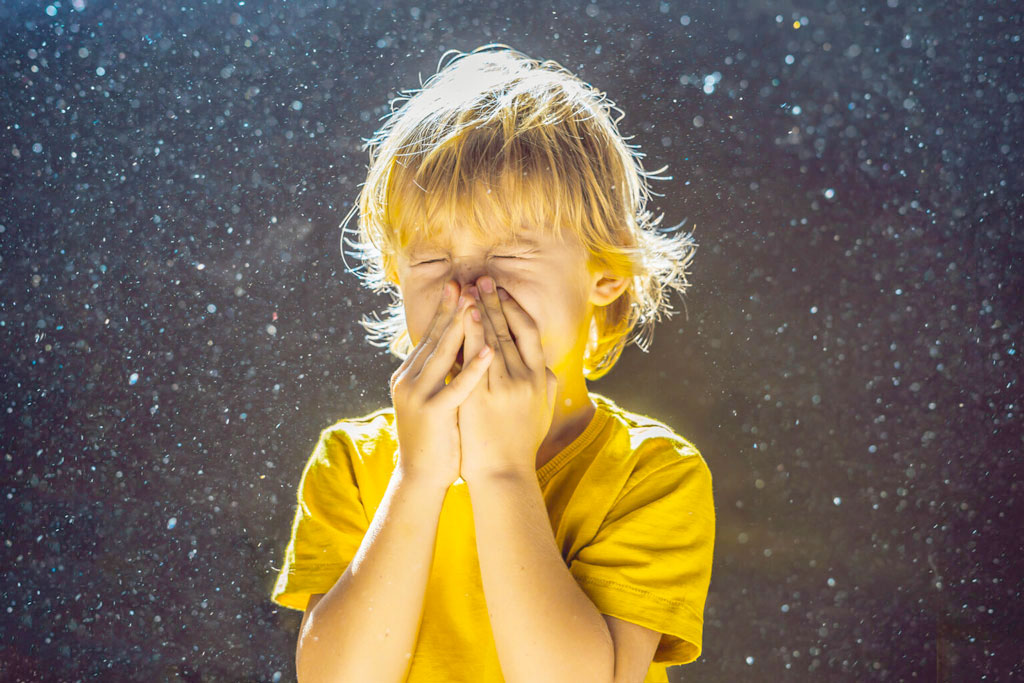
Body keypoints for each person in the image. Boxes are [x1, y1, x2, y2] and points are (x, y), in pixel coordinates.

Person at [270, 44, 715, 683]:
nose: (472, 286)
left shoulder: (651, 475)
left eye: (512, 253)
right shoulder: (354, 462)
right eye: (430, 261)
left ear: (606, 274)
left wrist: (502, 471)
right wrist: (419, 476)